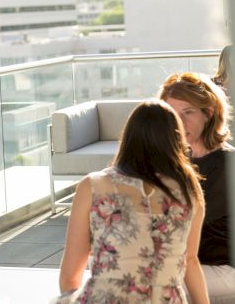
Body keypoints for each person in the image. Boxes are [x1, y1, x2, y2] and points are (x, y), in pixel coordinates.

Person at [57, 100, 208, 303]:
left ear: (127, 138)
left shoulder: (93, 186)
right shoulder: (189, 190)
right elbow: (190, 260)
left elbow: (69, 277)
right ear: (175, 140)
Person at [159, 72, 235, 302]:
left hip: (224, 267)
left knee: (148, 283)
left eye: (188, 112)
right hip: (190, 262)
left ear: (208, 113)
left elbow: (178, 224)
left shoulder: (226, 164)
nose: (179, 123)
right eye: (172, 114)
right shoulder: (178, 159)